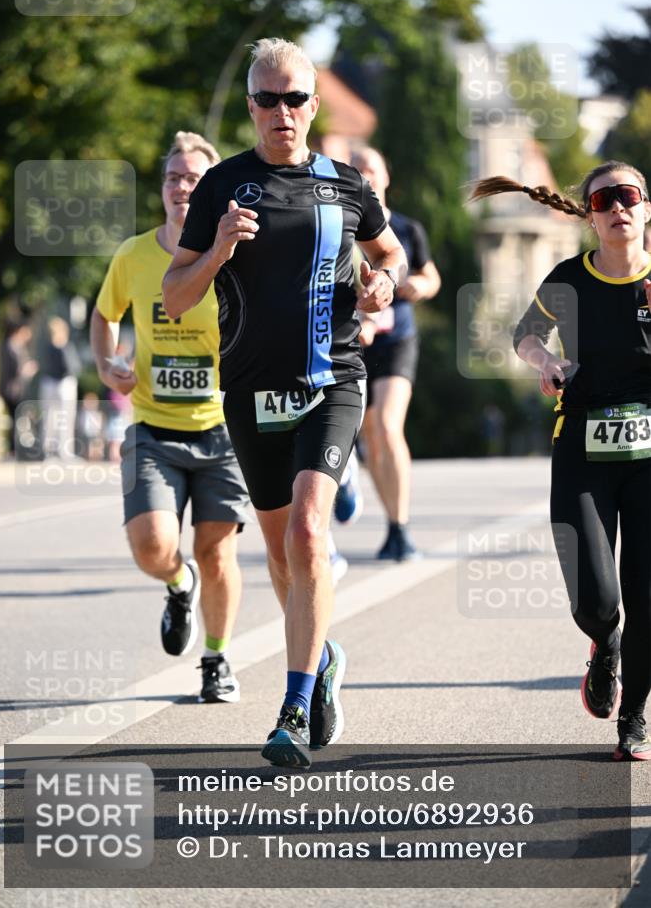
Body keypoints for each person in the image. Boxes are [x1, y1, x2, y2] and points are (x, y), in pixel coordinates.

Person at [163, 38, 407, 767]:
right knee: (278, 554)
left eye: (294, 98)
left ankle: (292, 710)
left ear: (313, 104)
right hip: (249, 392)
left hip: (332, 380)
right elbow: (175, 297)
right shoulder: (221, 187)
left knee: (306, 532)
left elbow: (389, 253)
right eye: (267, 99)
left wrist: (382, 282)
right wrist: (216, 251)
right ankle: (322, 658)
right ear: (250, 107)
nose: (282, 111)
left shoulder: (345, 183)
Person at [471, 162, 651, 761]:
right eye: (604, 200)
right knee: (596, 600)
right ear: (591, 217)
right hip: (582, 451)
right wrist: (544, 362)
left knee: (648, 597)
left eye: (628, 196)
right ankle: (605, 644)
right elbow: (525, 335)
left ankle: (634, 716)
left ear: (646, 208)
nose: (617, 207)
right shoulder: (570, 280)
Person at [91, 132, 249, 703]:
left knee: (217, 552)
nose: (182, 186)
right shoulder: (134, 255)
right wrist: (108, 364)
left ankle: (216, 659)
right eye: (173, 177)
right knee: (152, 546)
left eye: (193, 178)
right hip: (153, 427)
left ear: (212, 188)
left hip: (223, 429)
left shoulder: (233, 255)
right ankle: (179, 585)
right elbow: (105, 316)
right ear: (162, 188)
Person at [350, 147, 441, 561]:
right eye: (357, 169)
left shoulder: (406, 228)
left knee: (387, 425)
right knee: (370, 436)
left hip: (397, 339)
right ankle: (391, 524)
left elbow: (430, 275)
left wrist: (420, 286)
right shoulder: (342, 227)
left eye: (371, 168)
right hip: (356, 341)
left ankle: (402, 528)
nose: (365, 175)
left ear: (386, 176)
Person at [39, 316, 81, 459]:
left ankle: (65, 451)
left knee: (65, 418)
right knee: (50, 418)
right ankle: (49, 452)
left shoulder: (66, 346)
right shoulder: (49, 346)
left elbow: (73, 367)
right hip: (51, 383)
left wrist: (63, 347)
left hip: (64, 383)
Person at [0, 317, 38, 456]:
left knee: (18, 418)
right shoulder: (9, 346)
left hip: (18, 389)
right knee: (16, 418)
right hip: (11, 390)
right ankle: (13, 450)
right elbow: (12, 370)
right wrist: (26, 370)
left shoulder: (18, 347)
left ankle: (15, 448)